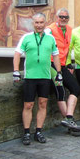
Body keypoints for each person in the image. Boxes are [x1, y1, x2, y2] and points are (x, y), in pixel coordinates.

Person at [13, 13, 62, 145]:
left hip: (45, 77)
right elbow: (17, 54)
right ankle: (27, 132)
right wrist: (16, 71)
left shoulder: (51, 39)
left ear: (45, 23)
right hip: (30, 77)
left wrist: (59, 72)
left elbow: (56, 55)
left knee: (43, 103)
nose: (39, 25)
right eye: (37, 23)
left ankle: (39, 131)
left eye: (41, 22)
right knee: (28, 105)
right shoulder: (26, 37)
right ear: (33, 23)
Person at [45, 8, 80, 133]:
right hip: (51, 64)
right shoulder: (49, 30)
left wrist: (69, 64)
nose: (63, 19)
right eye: (61, 17)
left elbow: (69, 48)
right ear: (57, 17)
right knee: (60, 92)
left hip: (62, 65)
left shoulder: (70, 30)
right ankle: (70, 120)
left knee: (76, 88)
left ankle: (69, 119)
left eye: (66, 17)